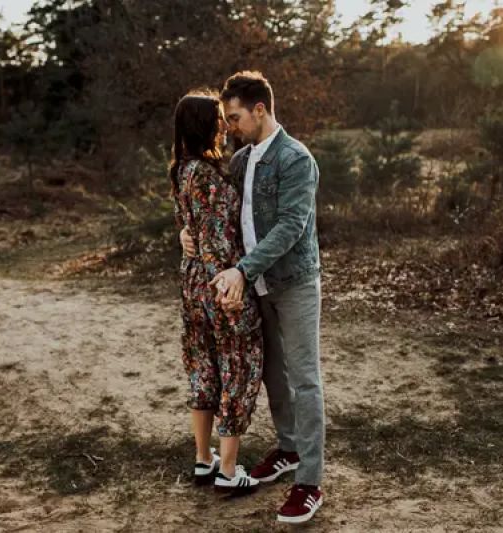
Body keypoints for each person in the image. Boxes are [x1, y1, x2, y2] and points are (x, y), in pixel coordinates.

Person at [180, 72, 325, 524]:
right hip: (255, 284)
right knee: (271, 374)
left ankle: (310, 481)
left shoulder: (295, 159)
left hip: (293, 282)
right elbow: (213, 210)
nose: (231, 126)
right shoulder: (241, 160)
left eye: (237, 116)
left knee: (304, 380)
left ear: (259, 110)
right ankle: (287, 449)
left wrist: (242, 270)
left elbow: (290, 226)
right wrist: (186, 233)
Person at [170, 90, 263, 495]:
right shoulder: (208, 176)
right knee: (235, 367)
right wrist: (231, 284)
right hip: (218, 281)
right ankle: (228, 470)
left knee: (203, 367)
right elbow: (217, 239)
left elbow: (191, 227)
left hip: (192, 281)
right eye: (219, 121)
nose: (225, 127)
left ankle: (203, 460)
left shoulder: (182, 170)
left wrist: (183, 237)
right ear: (206, 126)